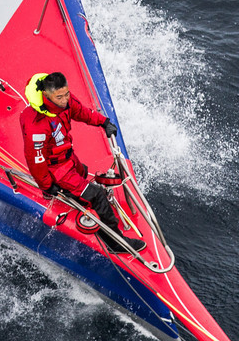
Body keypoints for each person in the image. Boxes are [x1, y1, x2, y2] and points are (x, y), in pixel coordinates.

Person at [19, 71, 145, 254]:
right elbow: (36, 160)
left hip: (68, 159)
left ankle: (74, 196)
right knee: (97, 195)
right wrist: (47, 185)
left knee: (84, 173)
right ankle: (116, 243)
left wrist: (104, 122)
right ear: (46, 96)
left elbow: (81, 112)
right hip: (57, 170)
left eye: (67, 94)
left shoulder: (65, 102)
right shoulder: (37, 125)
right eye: (59, 97)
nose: (65, 100)